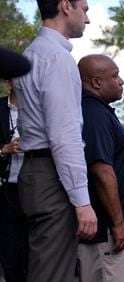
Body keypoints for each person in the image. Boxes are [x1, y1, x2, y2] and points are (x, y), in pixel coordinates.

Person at [13, 1, 97, 281]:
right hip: (52, 176)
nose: (87, 19)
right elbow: (64, 135)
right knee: (52, 274)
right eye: (84, 9)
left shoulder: (31, 54)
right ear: (65, 6)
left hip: (36, 171)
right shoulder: (56, 58)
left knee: (45, 266)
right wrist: (82, 201)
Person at [77, 54, 124, 282]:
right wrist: (118, 224)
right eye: (115, 75)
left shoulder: (99, 112)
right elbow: (101, 172)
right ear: (96, 82)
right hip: (107, 231)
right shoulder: (93, 114)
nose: (121, 81)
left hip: (109, 228)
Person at [0, 81, 28, 282]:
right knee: (9, 251)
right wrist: (4, 149)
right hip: (5, 191)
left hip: (36, 189)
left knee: (33, 249)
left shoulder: (40, 107)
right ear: (8, 82)